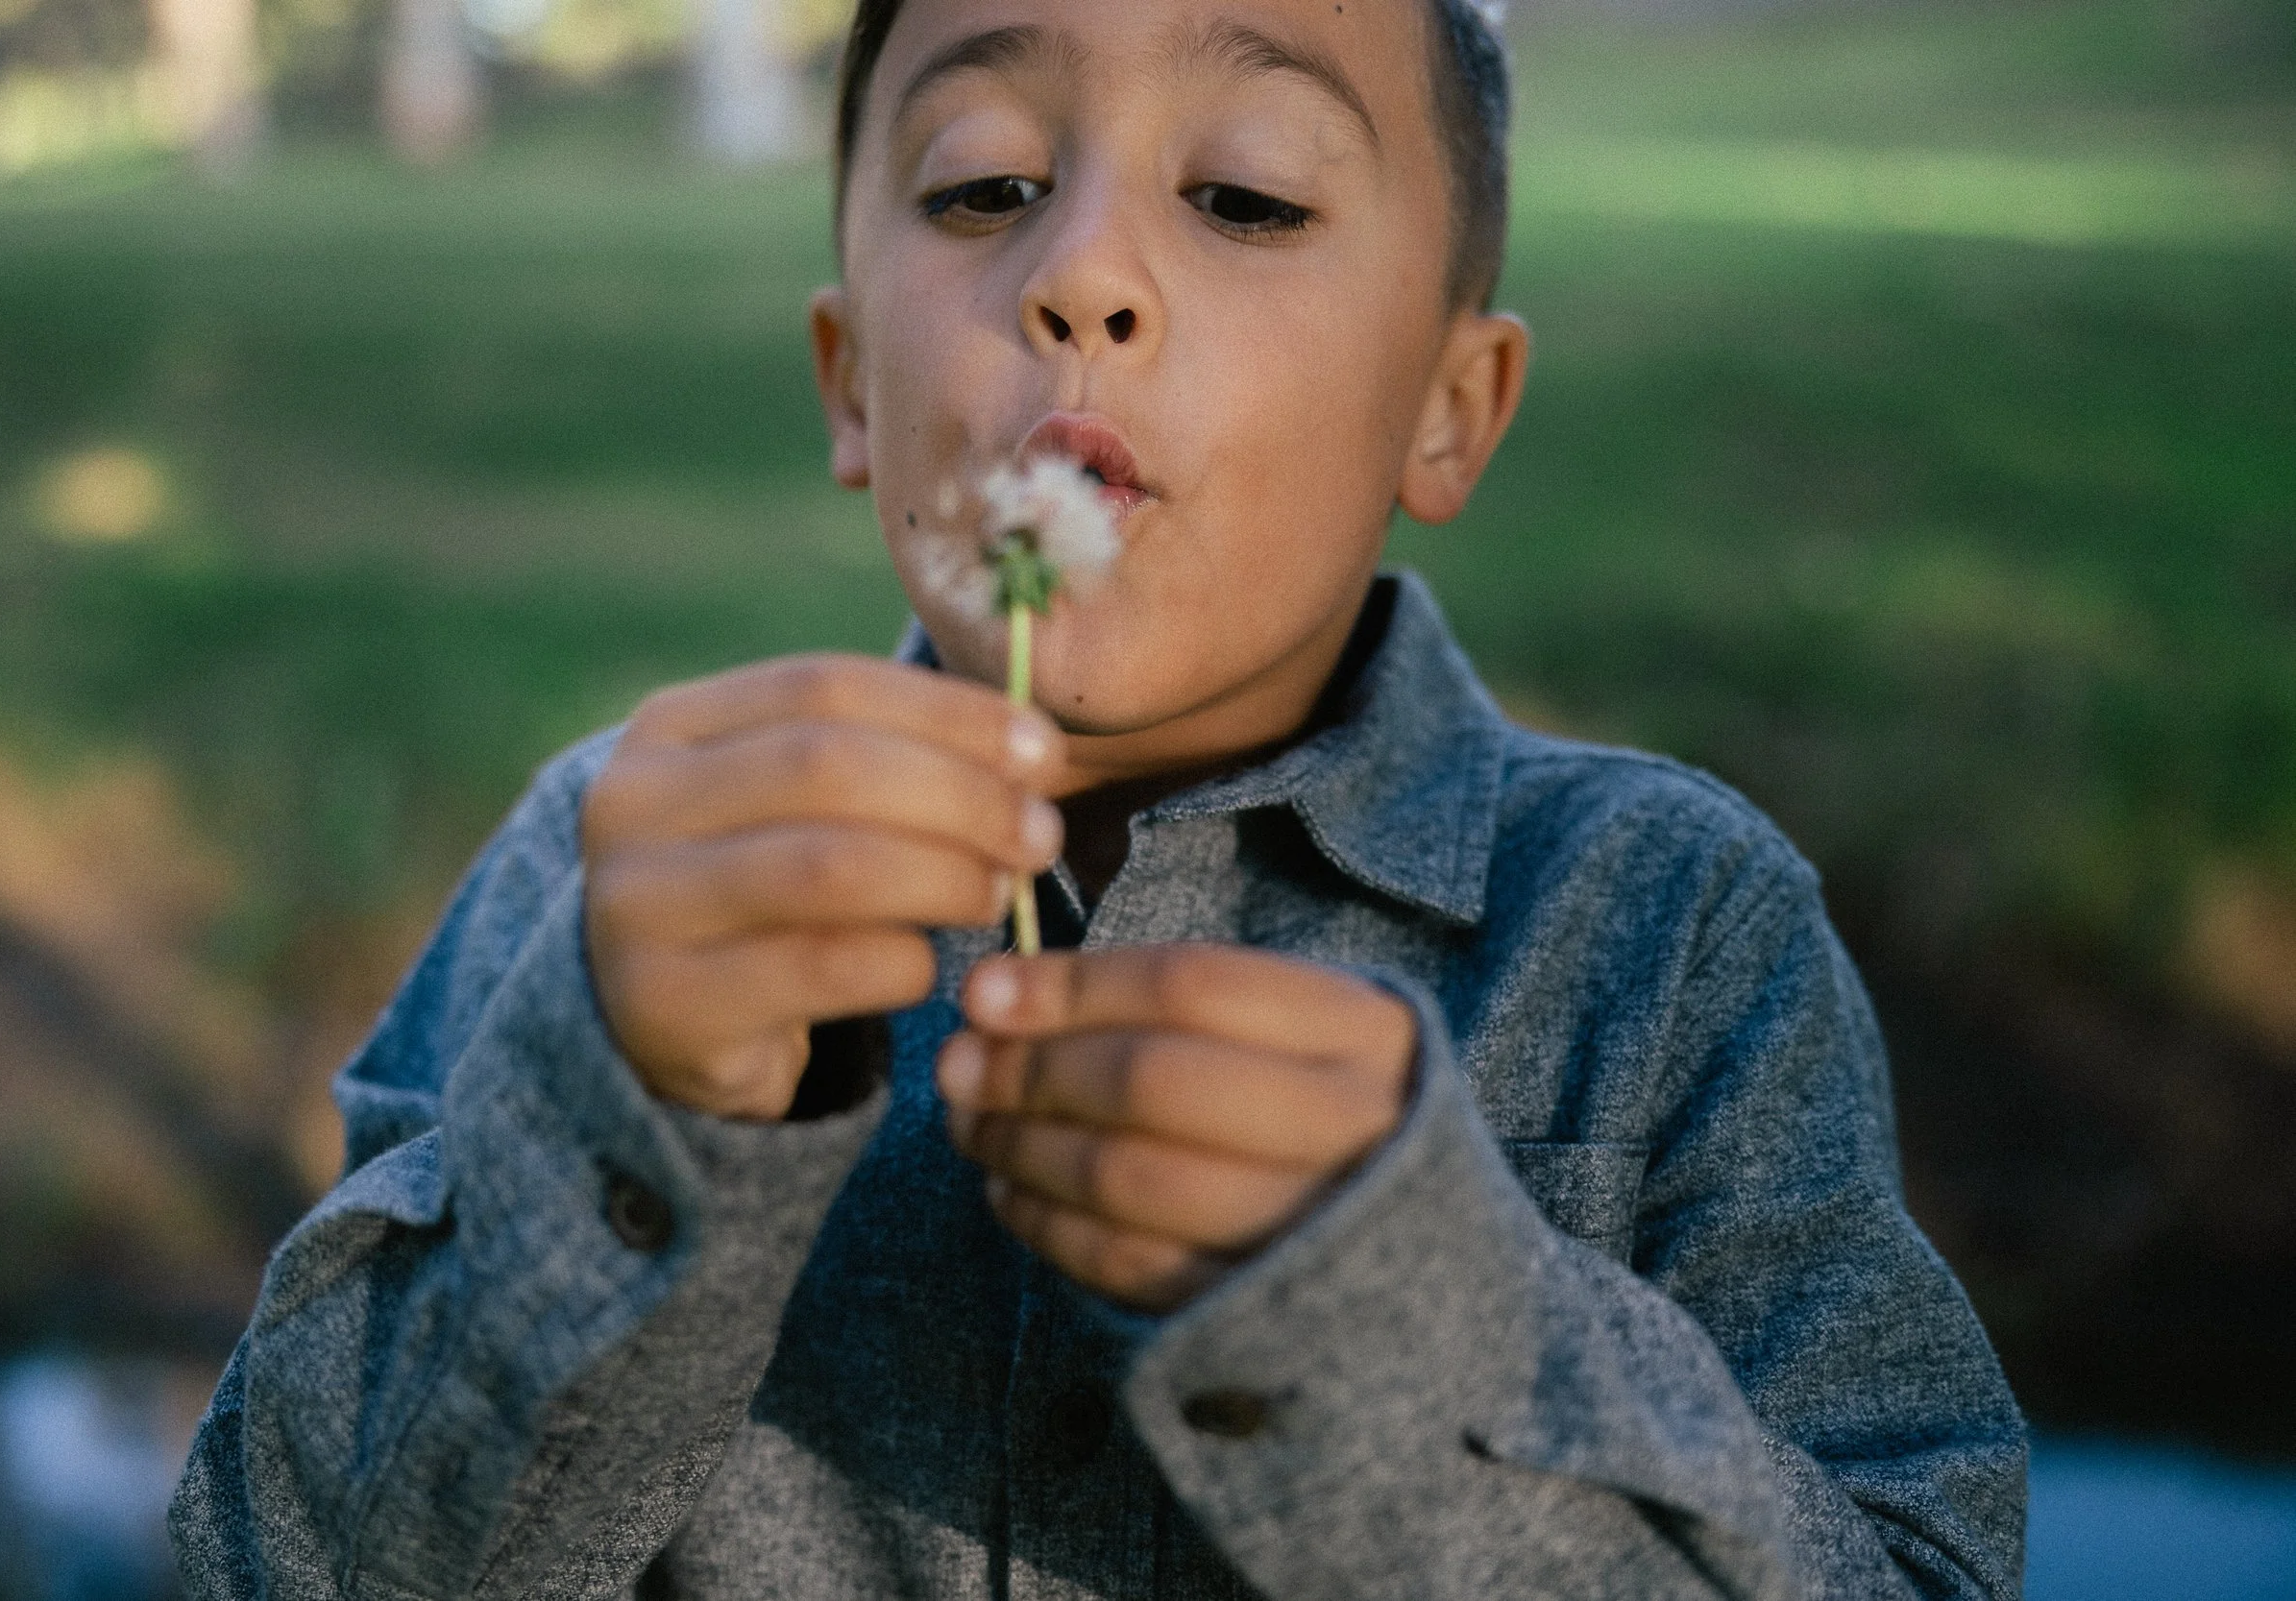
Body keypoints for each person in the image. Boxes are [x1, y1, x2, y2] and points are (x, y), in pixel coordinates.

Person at [169, 0, 2028, 1595]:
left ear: (1449, 410)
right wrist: (615, 1120)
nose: (1078, 277)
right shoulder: (615, 883)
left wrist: (1404, 1309)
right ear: (848, 386)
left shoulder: (1669, 933)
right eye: (982, 183)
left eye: (1245, 196)